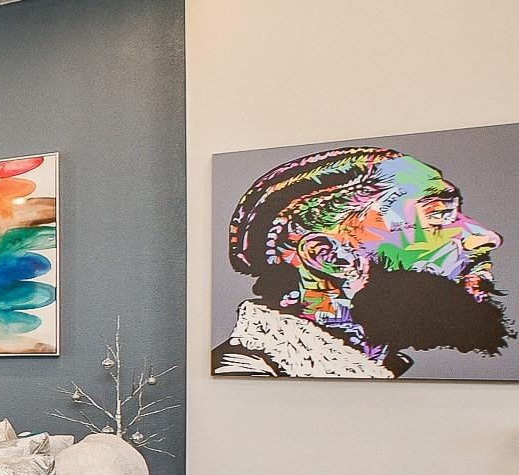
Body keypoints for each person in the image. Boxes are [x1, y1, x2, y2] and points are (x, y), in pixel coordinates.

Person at [213, 146, 507, 378]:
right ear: (327, 256)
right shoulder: (244, 373)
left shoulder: (370, 369)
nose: (487, 237)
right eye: (438, 214)